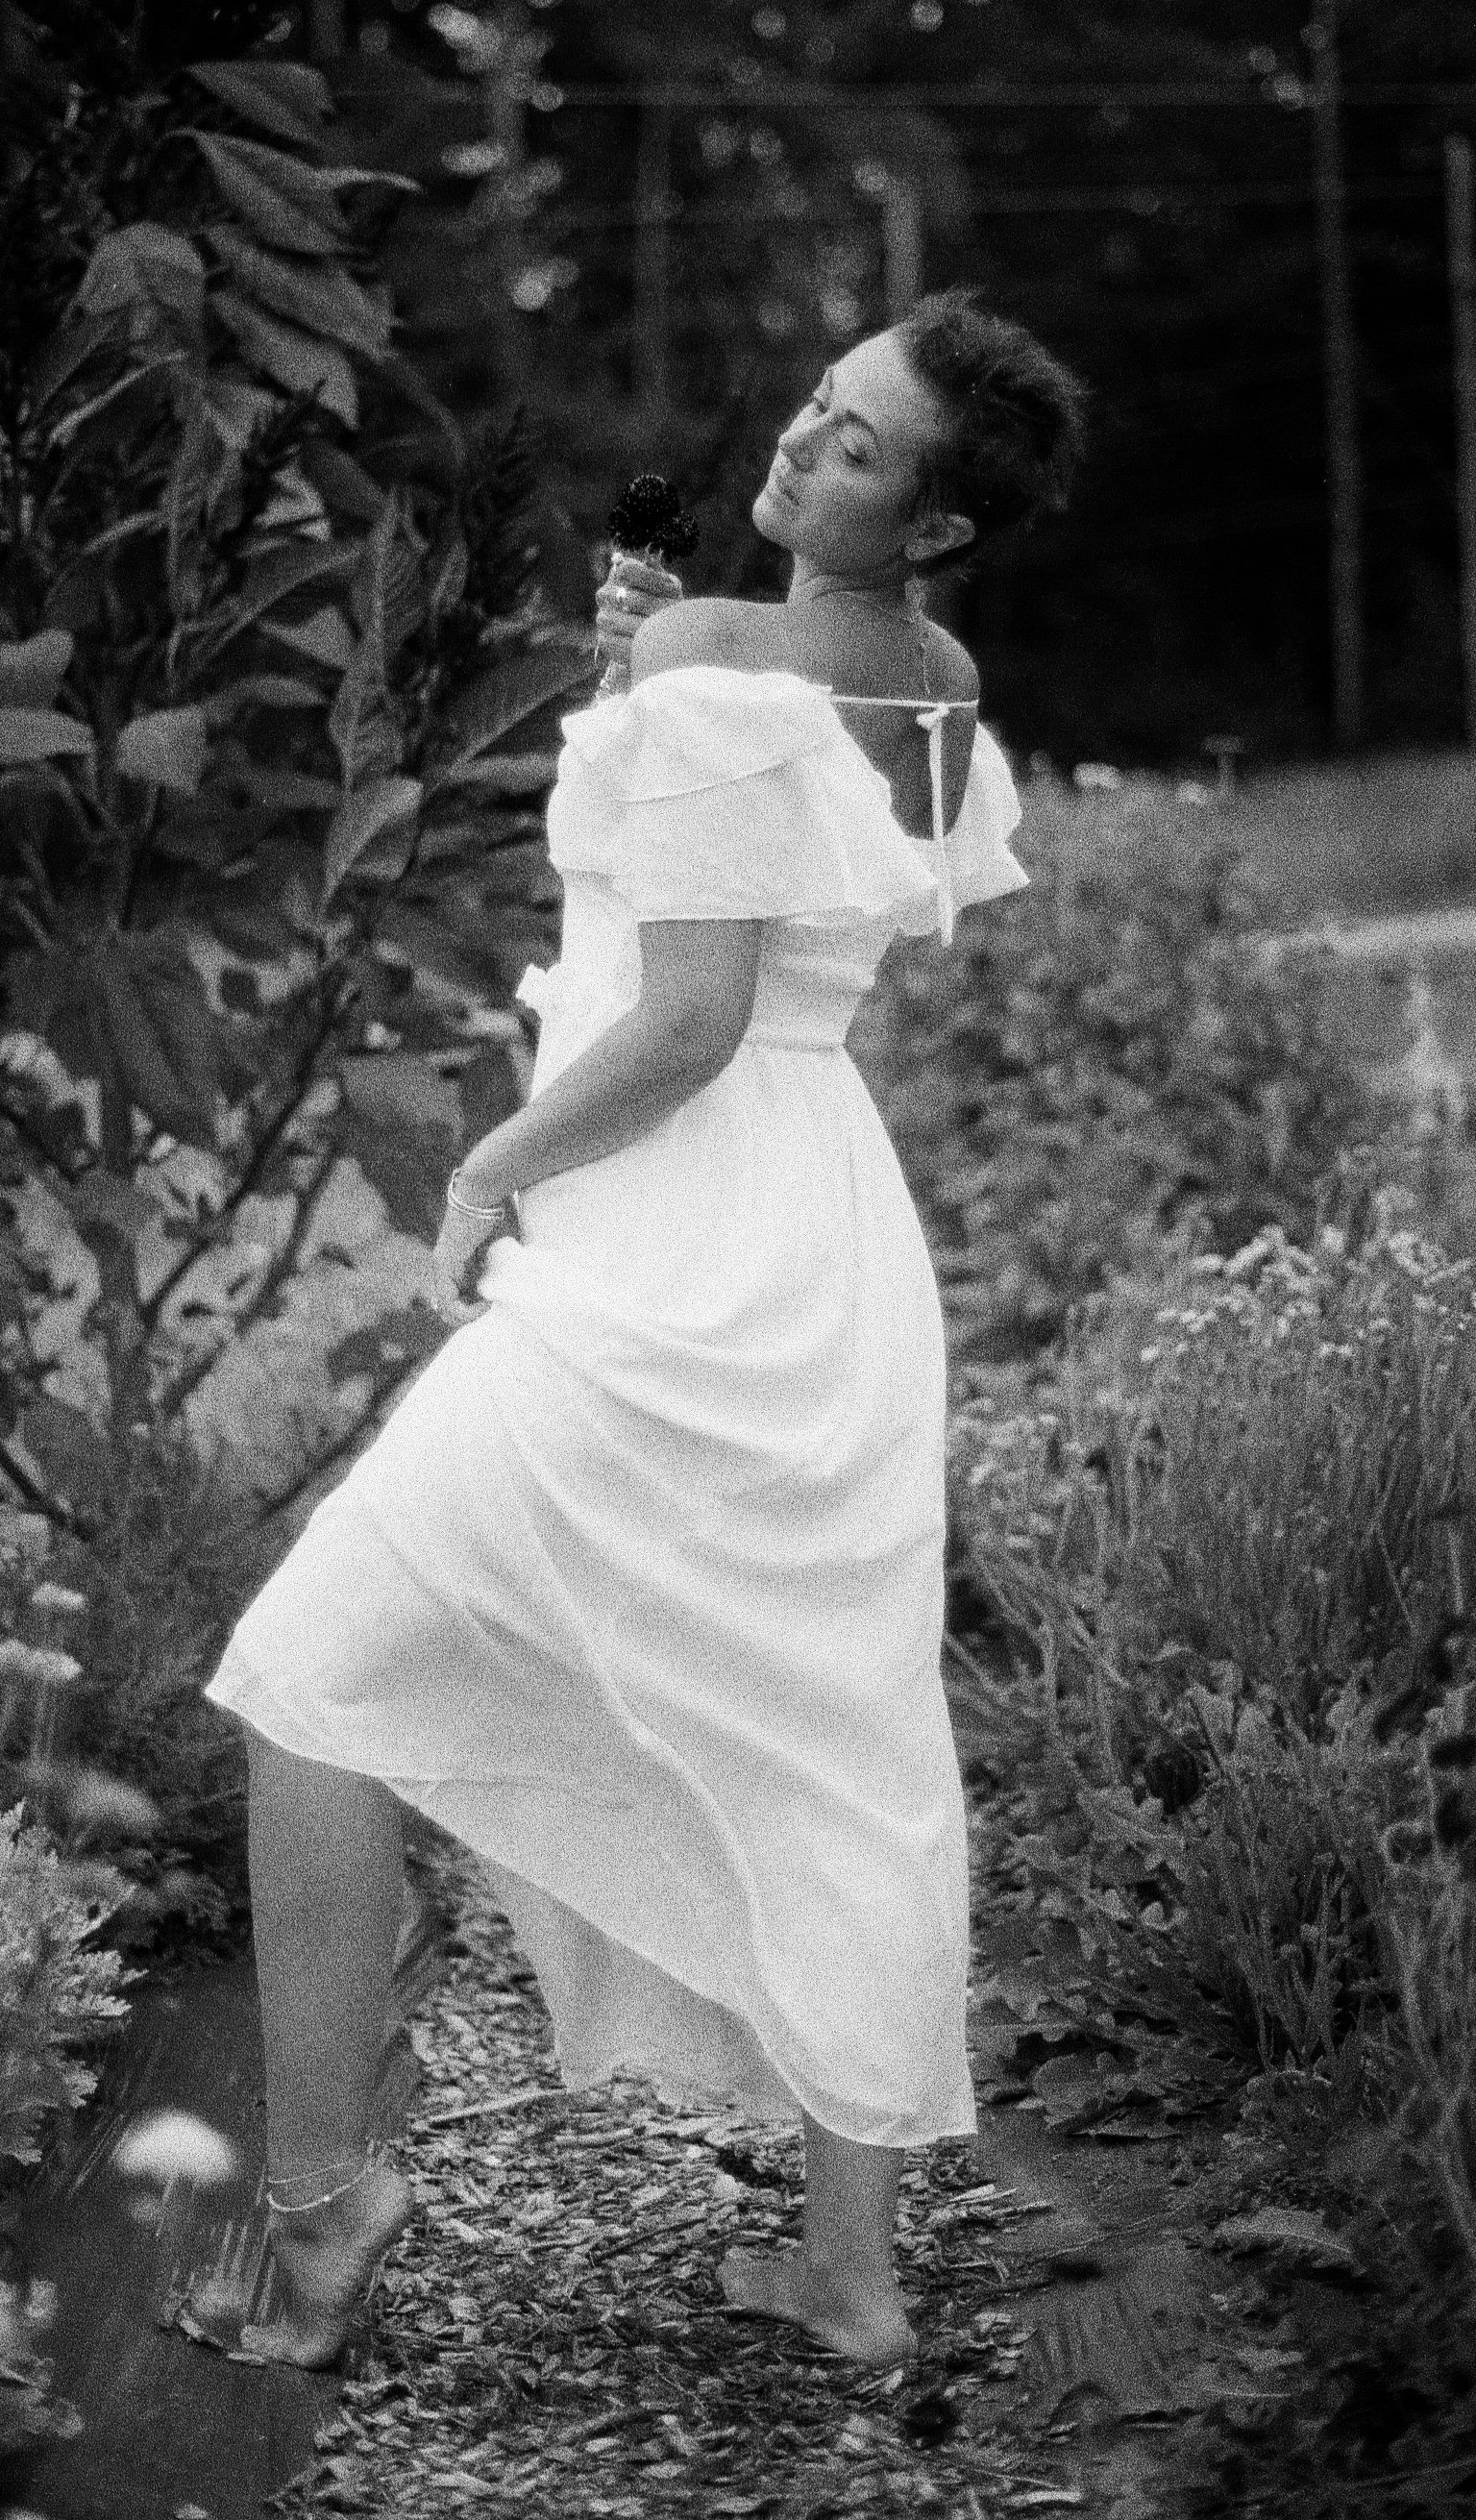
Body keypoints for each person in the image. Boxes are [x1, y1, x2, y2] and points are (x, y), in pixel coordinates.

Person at [202, 289, 1087, 2372]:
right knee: (830, 1729)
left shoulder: (711, 657)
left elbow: (681, 1018)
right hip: (823, 1239)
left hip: (669, 1241)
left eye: (856, 444)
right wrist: (649, 703)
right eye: (815, 398)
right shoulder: (933, 678)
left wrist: (492, 1160)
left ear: (936, 519)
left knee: (309, 1674)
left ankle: (326, 2209)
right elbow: (809, 920)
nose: (798, 438)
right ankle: (852, 2274)